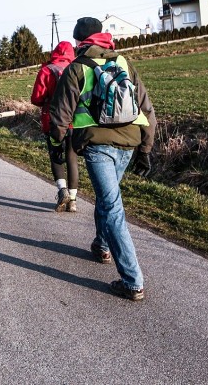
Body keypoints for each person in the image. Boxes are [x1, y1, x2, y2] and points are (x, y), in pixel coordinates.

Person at [49, 17, 156, 301]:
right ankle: (102, 245)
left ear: (79, 42)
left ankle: (133, 281)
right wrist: (146, 148)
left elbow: (59, 115)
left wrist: (57, 145)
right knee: (107, 200)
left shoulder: (76, 69)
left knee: (111, 208)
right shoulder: (123, 62)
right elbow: (146, 107)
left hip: (97, 146)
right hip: (129, 143)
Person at [31, 40, 79, 212]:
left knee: (56, 155)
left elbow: (36, 98)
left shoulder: (47, 70)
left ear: (55, 52)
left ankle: (62, 190)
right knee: (72, 157)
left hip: (53, 121)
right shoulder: (77, 68)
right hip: (75, 121)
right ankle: (73, 200)